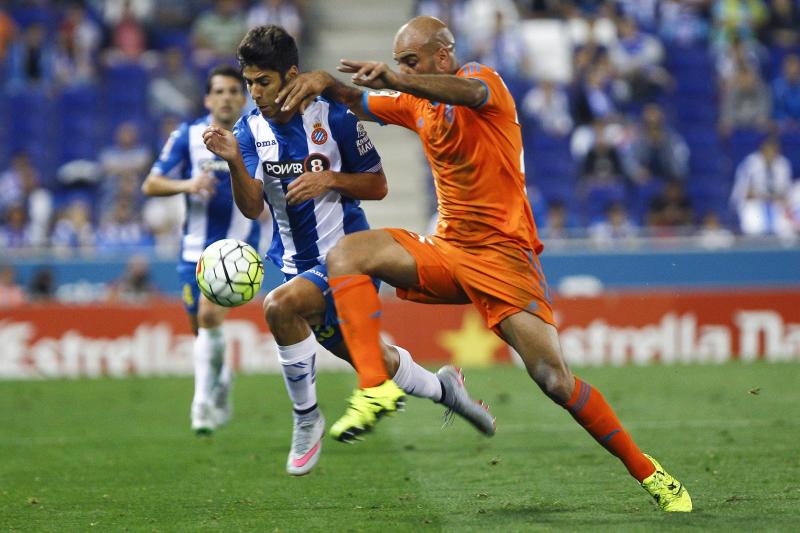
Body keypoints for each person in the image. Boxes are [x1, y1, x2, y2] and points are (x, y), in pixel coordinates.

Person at [275, 16, 692, 511]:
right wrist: (326, 82)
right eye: (398, 62)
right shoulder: (415, 103)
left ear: (442, 56)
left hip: (505, 259)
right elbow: (355, 101)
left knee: (555, 381)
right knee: (349, 253)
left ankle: (649, 473)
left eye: (410, 60)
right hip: (449, 250)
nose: (400, 69)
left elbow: (468, 93)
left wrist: (396, 79)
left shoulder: (485, 83)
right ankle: (373, 386)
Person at [202, 25, 495, 476]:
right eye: (249, 83)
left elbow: (378, 185)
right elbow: (252, 205)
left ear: (290, 75)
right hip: (293, 262)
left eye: (264, 82)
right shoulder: (248, 128)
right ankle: (444, 388)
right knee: (367, 356)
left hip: (347, 257)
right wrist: (235, 162)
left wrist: (330, 178)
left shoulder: (333, 118)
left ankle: (306, 420)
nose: (255, 93)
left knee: (279, 308)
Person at [142, 65, 261, 435]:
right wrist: (189, 184)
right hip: (193, 250)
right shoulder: (188, 135)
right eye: (220, 92)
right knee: (201, 329)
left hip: (236, 252)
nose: (227, 97)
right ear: (208, 98)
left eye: (233, 91)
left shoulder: (258, 134)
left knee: (210, 317)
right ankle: (222, 379)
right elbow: (151, 184)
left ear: (243, 98)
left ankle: (201, 404)